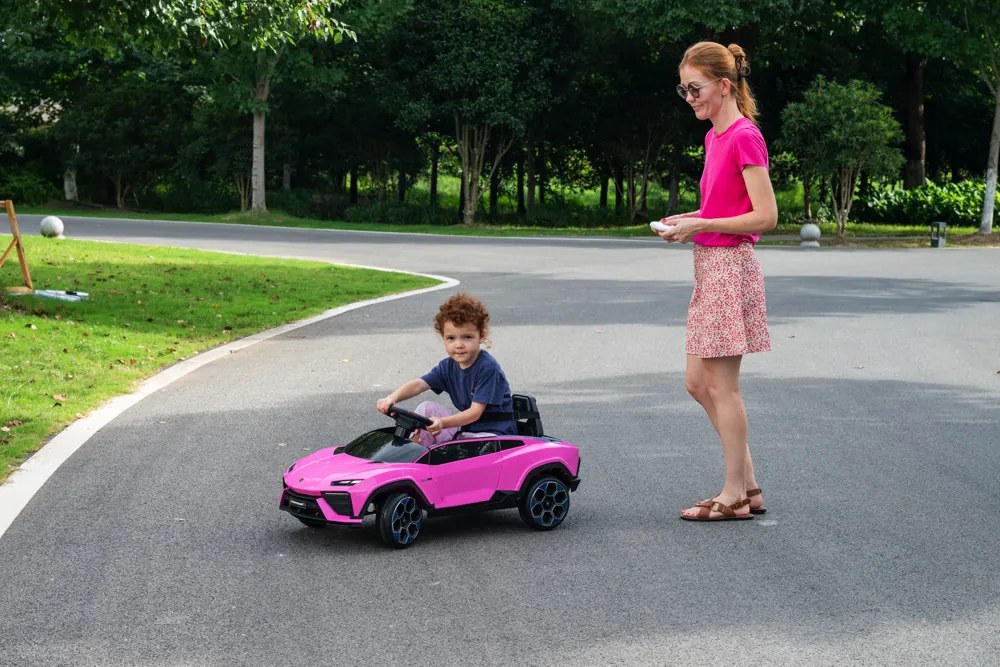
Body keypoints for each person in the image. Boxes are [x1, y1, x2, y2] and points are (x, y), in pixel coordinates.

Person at [653, 41, 777, 521]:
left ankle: (735, 497)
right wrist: (689, 219)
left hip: (730, 269)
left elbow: (765, 216)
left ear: (724, 86)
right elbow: (726, 208)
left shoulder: (745, 136)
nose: (689, 97)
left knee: (723, 388)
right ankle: (748, 485)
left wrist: (702, 226)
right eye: (683, 89)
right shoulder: (714, 138)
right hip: (709, 267)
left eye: (696, 88)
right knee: (696, 382)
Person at [376, 292, 516, 446]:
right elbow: (419, 384)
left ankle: (439, 457)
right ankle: (415, 450)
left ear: (481, 336)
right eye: (451, 338)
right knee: (427, 408)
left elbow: (475, 413)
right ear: (443, 338)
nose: (459, 345)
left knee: (463, 445)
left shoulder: (488, 368)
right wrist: (392, 398)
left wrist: (442, 422)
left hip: (494, 434)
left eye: (467, 337)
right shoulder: (448, 366)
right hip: (467, 429)